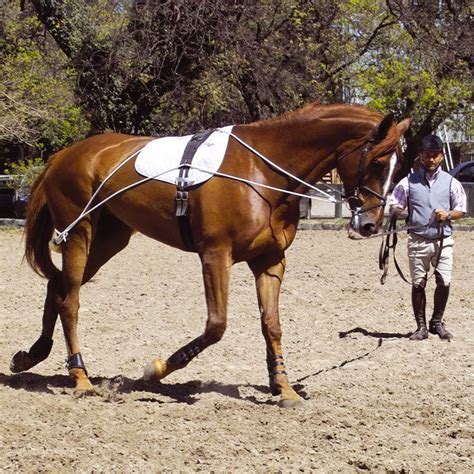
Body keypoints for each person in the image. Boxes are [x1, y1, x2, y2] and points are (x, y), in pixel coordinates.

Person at [388, 134, 467, 341]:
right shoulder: (408, 182)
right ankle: (421, 327)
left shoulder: (452, 183)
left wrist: (448, 214)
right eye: (427, 155)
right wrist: (399, 211)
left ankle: (437, 322)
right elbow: (395, 204)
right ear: (421, 156)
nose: (431, 159)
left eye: (435, 155)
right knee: (418, 284)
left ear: (441, 156)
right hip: (418, 240)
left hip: (443, 240)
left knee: (444, 281)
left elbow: (461, 209)